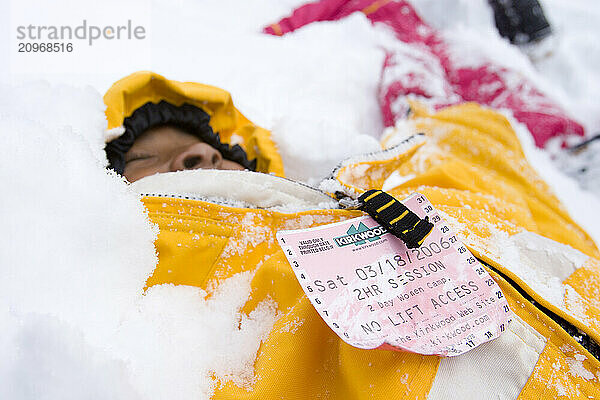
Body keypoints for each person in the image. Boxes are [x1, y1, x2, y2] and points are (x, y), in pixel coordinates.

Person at [104, 71, 600, 398]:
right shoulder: (189, 320)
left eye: (213, 149)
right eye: (148, 159)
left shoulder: (392, 193)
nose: (204, 156)